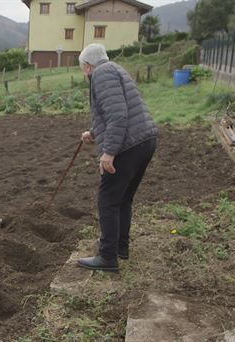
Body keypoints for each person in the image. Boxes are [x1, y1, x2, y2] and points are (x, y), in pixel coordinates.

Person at [76, 44, 158, 272]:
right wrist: (93, 133)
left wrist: (109, 152)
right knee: (123, 198)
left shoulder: (100, 75)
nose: (84, 73)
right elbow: (120, 111)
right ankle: (121, 247)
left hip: (128, 146)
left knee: (108, 199)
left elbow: (119, 115)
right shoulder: (115, 69)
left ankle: (107, 257)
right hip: (144, 140)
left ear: (87, 66)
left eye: (83, 68)